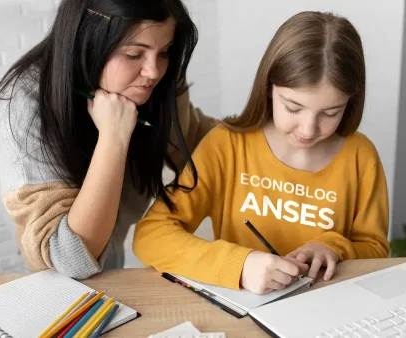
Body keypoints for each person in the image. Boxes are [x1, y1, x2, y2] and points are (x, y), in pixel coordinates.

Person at [133, 11, 390, 295]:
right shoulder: (227, 145)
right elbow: (151, 235)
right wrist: (240, 266)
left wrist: (333, 246)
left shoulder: (360, 156)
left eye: (331, 113)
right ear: (268, 88)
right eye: (293, 107)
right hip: (245, 308)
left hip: (328, 307)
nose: (308, 129)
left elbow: (376, 250)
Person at [0, 0, 216, 279]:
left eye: (164, 52)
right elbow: (69, 257)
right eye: (133, 54)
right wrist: (113, 138)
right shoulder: (25, 103)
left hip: (112, 247)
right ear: (87, 42)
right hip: (56, 273)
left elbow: (193, 140)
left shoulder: (160, 79)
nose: (153, 72)